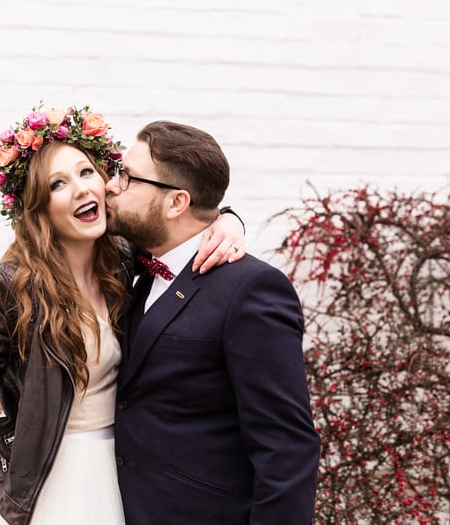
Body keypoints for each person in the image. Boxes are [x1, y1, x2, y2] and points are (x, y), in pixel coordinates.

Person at [0, 106, 246, 525]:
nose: (81, 189)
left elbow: (180, 223)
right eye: (58, 184)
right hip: (48, 478)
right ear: (38, 207)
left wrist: (229, 221)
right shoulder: (11, 285)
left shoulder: (123, 259)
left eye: (86, 172)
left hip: (127, 473)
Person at [107, 120, 321, 524]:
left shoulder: (252, 289)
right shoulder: (138, 270)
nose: (110, 185)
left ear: (176, 203)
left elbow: (286, 447)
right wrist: (229, 217)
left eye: (127, 177)